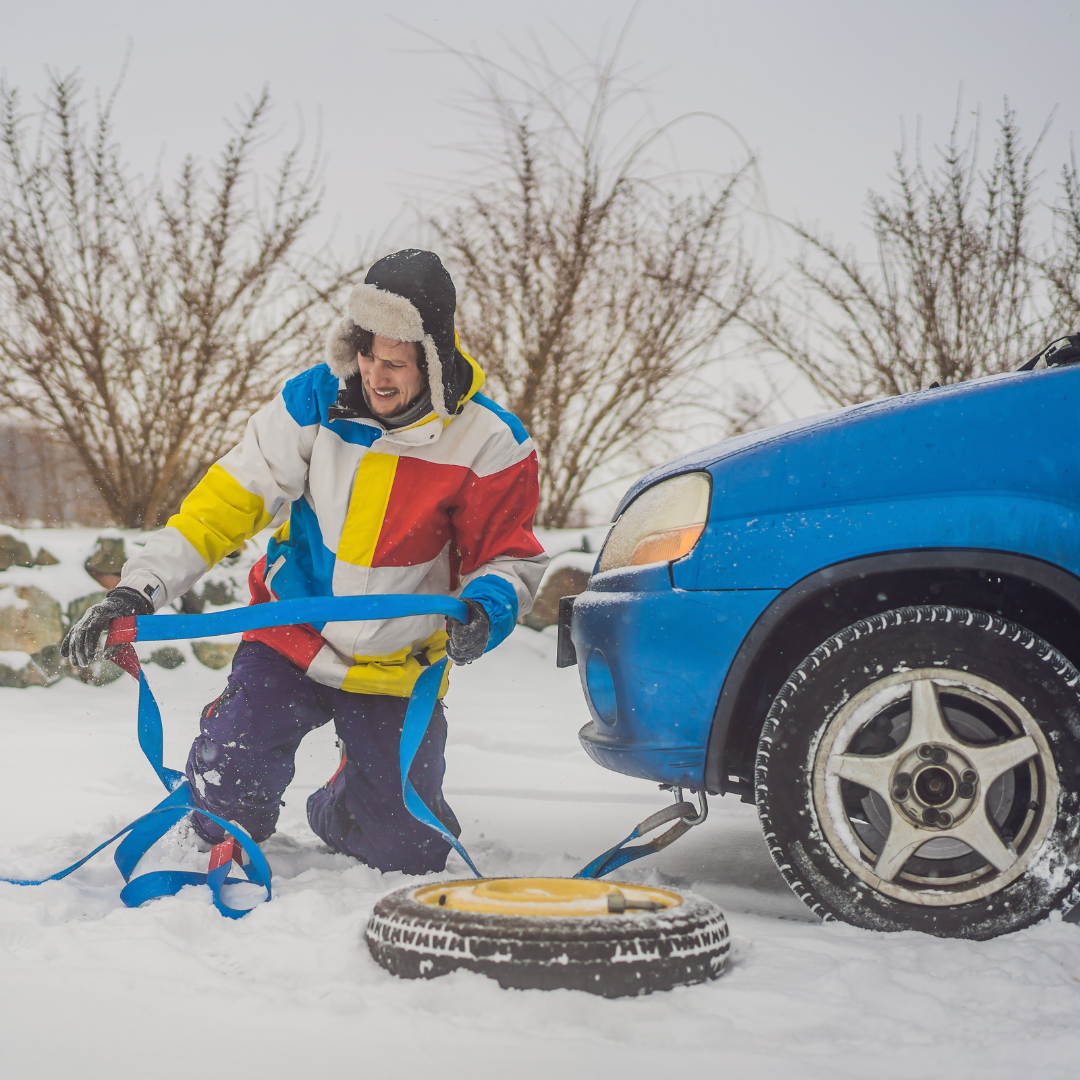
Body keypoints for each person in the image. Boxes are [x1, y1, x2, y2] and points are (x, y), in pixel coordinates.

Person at [62, 249, 548, 874]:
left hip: (398, 662)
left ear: (433, 359)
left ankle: (344, 800)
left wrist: (488, 607)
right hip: (292, 634)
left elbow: (507, 556)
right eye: (368, 354)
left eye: (396, 363)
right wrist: (138, 590)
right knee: (223, 802)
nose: (376, 375)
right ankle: (232, 785)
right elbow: (220, 507)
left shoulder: (492, 443)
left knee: (408, 851)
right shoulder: (314, 400)